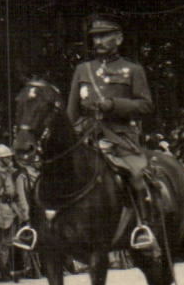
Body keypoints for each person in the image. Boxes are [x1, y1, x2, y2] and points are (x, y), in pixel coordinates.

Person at [67, 13, 158, 252]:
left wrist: (114, 105)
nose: (98, 42)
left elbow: (146, 105)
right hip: (86, 136)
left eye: (104, 36)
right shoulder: (82, 70)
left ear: (118, 39)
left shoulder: (132, 70)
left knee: (136, 176)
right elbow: (71, 112)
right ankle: (40, 228)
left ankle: (142, 226)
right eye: (95, 38)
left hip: (120, 138)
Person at [0, 145, 26, 280]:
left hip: (10, 209)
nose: (9, 159)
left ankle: (4, 270)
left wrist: (21, 210)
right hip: (0, 210)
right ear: (0, 159)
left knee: (7, 243)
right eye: (7, 157)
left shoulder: (8, 171)